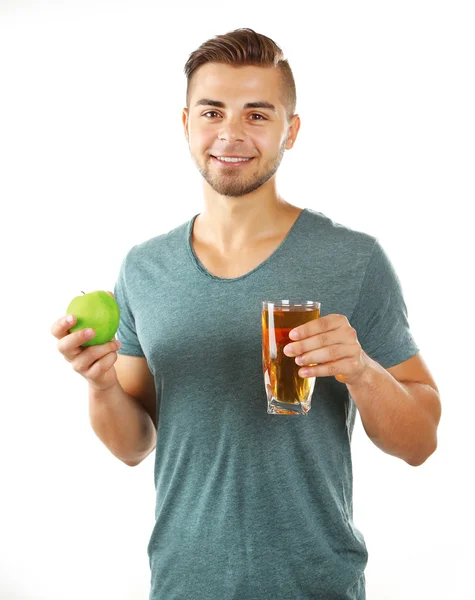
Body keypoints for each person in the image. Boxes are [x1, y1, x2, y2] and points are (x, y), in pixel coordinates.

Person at [51, 28, 441, 600]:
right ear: (185, 123)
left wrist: (361, 370)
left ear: (292, 130)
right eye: (213, 111)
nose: (231, 133)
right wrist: (101, 383)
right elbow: (135, 445)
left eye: (258, 115)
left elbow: (422, 441)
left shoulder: (353, 259)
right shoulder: (143, 269)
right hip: (184, 584)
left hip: (317, 585)